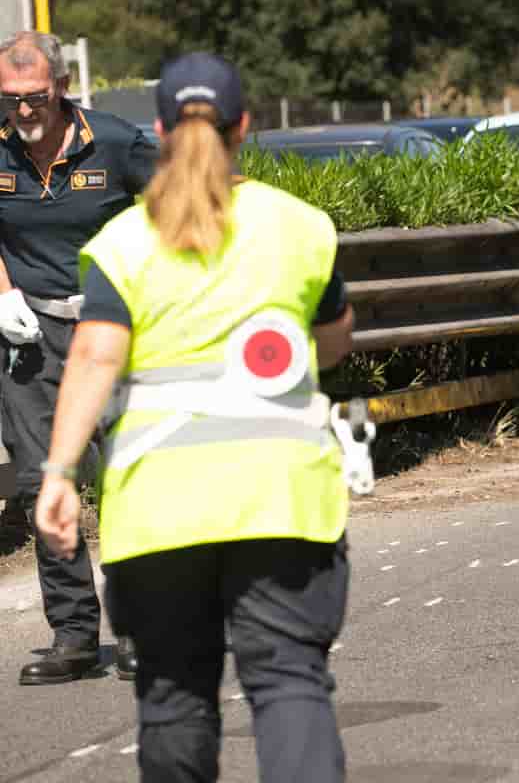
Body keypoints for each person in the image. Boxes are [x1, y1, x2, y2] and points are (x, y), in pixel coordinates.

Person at [34, 52, 355, 782]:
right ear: (244, 127)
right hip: (283, 503)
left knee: (175, 696)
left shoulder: (125, 242)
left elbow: (92, 360)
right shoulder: (299, 226)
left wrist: (57, 474)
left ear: (159, 129)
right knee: (288, 683)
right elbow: (334, 344)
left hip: (160, 513)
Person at [0, 30, 156, 685]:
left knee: (128, 479)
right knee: (42, 481)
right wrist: (3, 293)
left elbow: (176, 212)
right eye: (11, 100)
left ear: (62, 87)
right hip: (28, 338)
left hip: (111, 328)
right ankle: (72, 634)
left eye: (35, 97)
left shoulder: (117, 143)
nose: (24, 112)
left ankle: (146, 625)